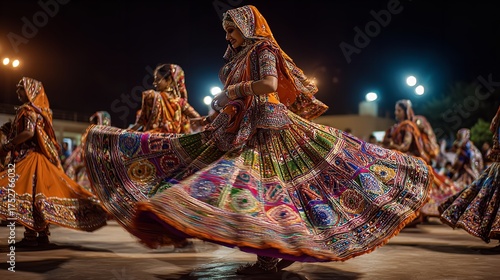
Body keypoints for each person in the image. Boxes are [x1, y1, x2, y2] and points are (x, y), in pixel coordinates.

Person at [84, 5, 432, 275]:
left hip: (269, 127)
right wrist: (219, 110)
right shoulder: (239, 56)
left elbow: (267, 86)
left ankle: (270, 257)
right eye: (226, 31)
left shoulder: (263, 49)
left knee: (271, 187)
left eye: (232, 30)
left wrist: (232, 91)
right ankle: (269, 255)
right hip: (242, 125)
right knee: (257, 189)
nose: (228, 37)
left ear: (247, 27)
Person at [0, 77, 108, 247]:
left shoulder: (27, 110)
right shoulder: (42, 112)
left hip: (30, 159)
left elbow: (28, 133)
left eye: (20, 88)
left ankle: (31, 237)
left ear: (30, 91)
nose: (17, 92)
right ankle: (42, 236)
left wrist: (9, 144)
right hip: (41, 160)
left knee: (27, 194)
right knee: (40, 197)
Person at [382, 99, 460, 220]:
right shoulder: (399, 126)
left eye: (398, 110)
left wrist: (391, 144)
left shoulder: (407, 126)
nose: (396, 113)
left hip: (407, 160)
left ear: (405, 111)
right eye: (395, 110)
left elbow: (405, 146)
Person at [439, 106, 500, 251]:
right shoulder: (471, 147)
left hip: (469, 175)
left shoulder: (465, 149)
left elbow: (457, 165)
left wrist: (448, 177)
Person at [128, 63, 203, 133]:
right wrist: (126, 133)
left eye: (158, 79)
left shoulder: (180, 103)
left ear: (169, 80)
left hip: (166, 142)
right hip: (160, 141)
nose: (154, 83)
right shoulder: (151, 96)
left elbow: (198, 119)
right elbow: (140, 122)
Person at [64, 111, 112, 193]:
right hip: (85, 182)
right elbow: (74, 162)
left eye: (97, 123)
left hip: (101, 187)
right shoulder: (87, 143)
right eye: (95, 124)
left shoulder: (110, 145)